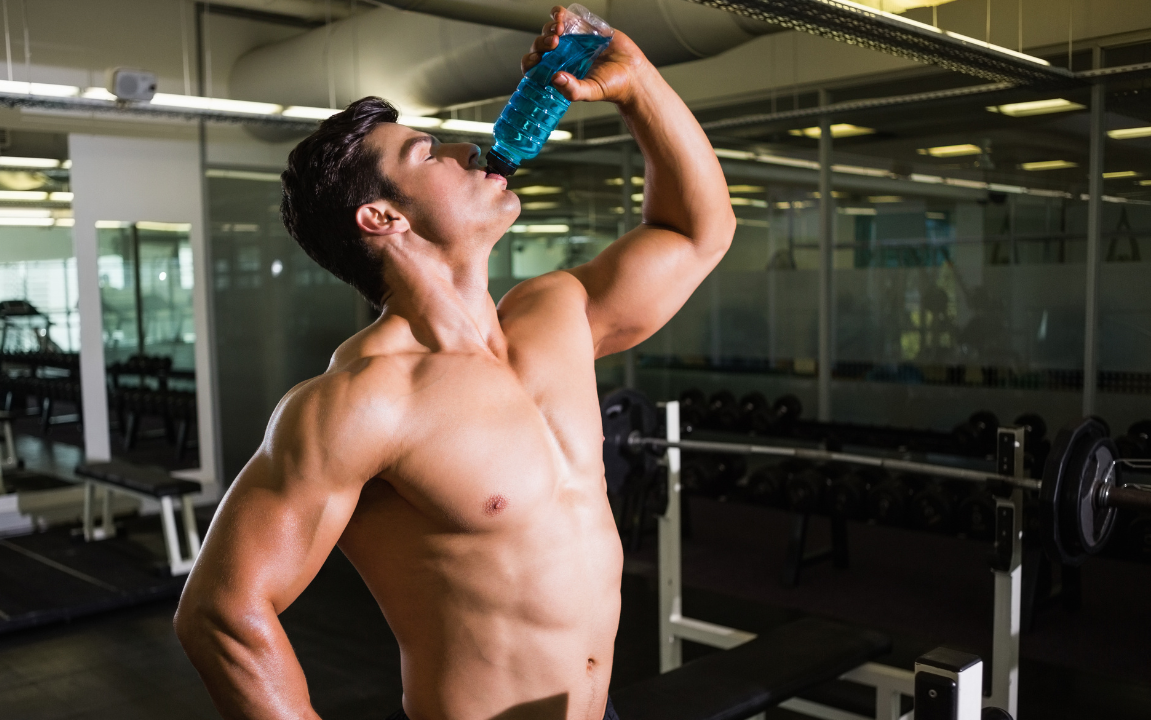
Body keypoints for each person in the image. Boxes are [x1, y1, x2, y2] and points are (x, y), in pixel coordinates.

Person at [174, 6, 735, 719]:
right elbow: (221, 612)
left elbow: (697, 231)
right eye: (428, 153)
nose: (470, 153)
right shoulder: (363, 399)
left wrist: (637, 82)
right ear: (383, 218)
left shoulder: (555, 315)